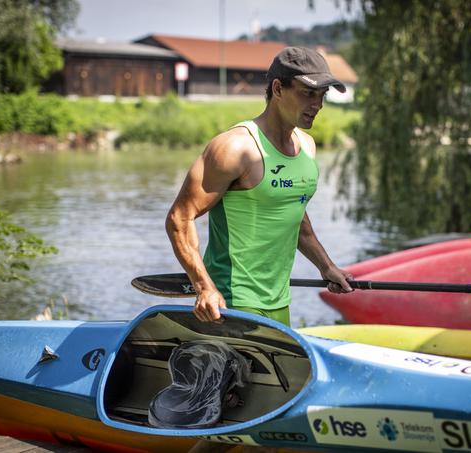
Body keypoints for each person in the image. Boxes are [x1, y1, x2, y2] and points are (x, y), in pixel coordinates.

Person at [165, 47, 353, 451]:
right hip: (233, 308)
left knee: (261, 423)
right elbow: (180, 219)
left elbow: (296, 219)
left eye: (323, 95)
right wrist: (203, 286)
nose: (317, 104)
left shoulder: (308, 148)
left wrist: (327, 266)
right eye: (308, 93)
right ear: (277, 89)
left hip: (278, 306)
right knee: (245, 424)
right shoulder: (235, 149)